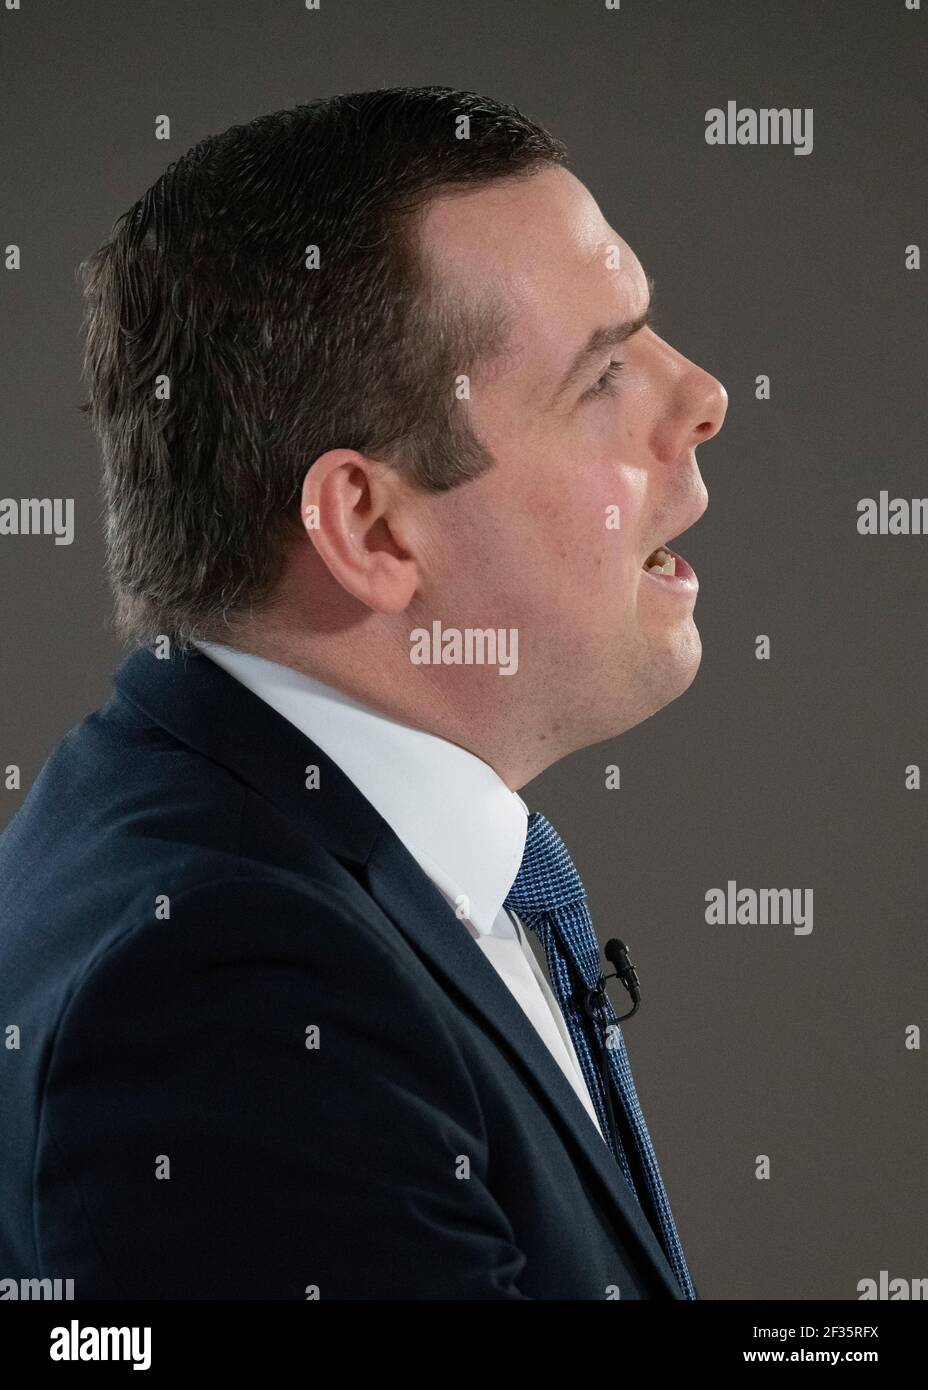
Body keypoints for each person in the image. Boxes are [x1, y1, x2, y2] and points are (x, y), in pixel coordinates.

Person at [0, 86, 727, 1299]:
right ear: (372, 525)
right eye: (600, 376)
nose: (701, 394)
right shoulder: (237, 1001)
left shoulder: (222, 846)